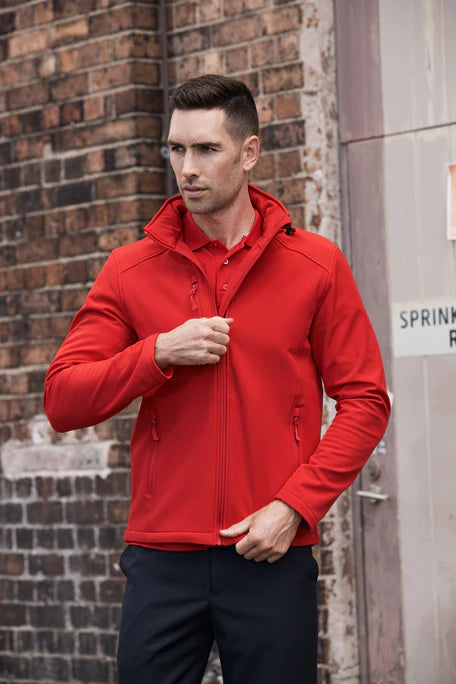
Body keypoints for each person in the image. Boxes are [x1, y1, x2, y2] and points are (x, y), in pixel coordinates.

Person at [44, 74, 390, 684]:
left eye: (206, 149)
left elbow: (365, 401)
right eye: (176, 149)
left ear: (249, 153)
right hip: (161, 557)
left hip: (269, 550)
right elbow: (63, 398)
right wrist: (157, 352)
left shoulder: (315, 266)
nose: (187, 168)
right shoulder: (130, 270)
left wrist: (295, 506)